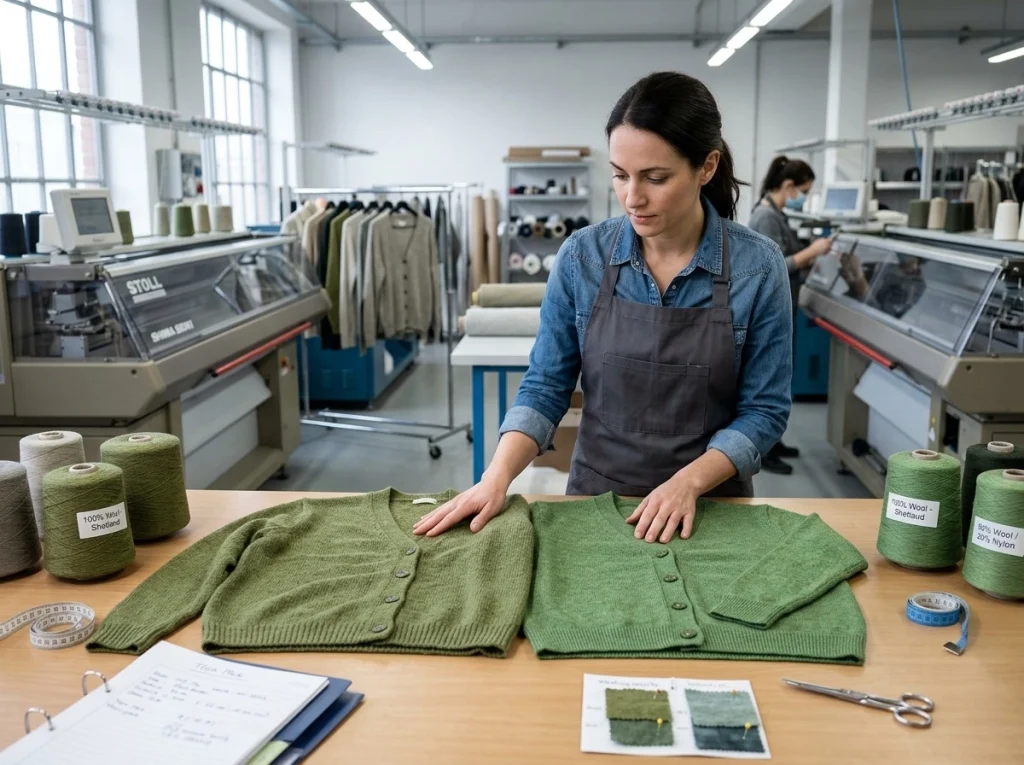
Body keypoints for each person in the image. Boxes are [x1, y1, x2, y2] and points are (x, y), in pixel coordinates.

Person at [415, 72, 792, 542]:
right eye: (620, 175)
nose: (632, 198)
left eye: (655, 178)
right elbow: (546, 385)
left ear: (707, 166)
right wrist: (496, 478)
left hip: (711, 509)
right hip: (597, 502)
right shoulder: (582, 257)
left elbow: (764, 410)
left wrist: (688, 484)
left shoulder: (758, 267)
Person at [747, 156, 832, 474]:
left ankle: (773, 441)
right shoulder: (766, 217)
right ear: (788, 186)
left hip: (785, 305)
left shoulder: (777, 215)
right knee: (768, 381)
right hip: (771, 310)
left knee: (779, 379)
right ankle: (763, 450)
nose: (803, 198)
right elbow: (775, 265)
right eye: (804, 191)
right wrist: (813, 251)